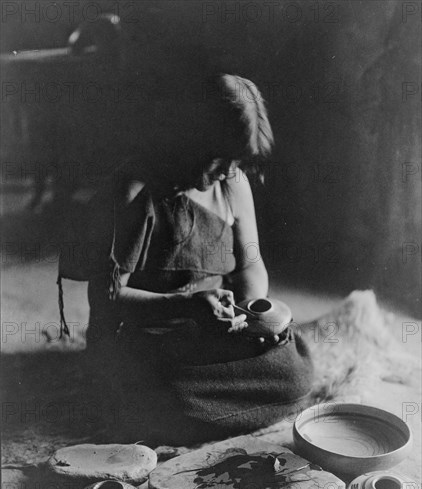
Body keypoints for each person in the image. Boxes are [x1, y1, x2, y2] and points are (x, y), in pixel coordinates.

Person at [59, 74, 314, 444]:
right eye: (220, 158)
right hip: (145, 331)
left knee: (294, 370)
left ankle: (200, 408)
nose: (228, 171)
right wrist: (186, 305)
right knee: (168, 396)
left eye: (236, 162)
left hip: (207, 326)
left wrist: (248, 309)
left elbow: (249, 263)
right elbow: (107, 299)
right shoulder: (136, 192)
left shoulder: (232, 183)